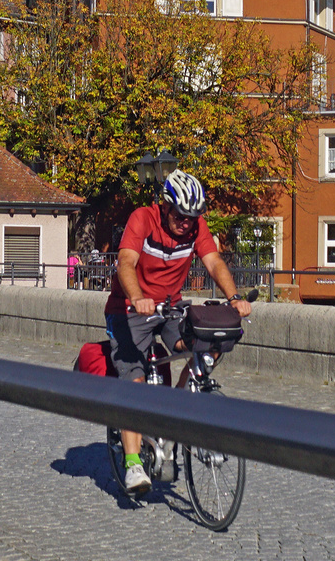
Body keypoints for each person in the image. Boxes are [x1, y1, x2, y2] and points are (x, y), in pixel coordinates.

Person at [105, 169, 251, 495]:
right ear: (166, 206)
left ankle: (173, 416)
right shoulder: (143, 219)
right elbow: (125, 263)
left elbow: (213, 262)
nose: (186, 223)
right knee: (135, 381)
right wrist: (137, 297)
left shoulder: (196, 227)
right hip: (130, 309)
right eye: (181, 216)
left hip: (170, 307)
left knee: (203, 345)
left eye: (192, 217)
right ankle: (132, 463)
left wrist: (235, 297)